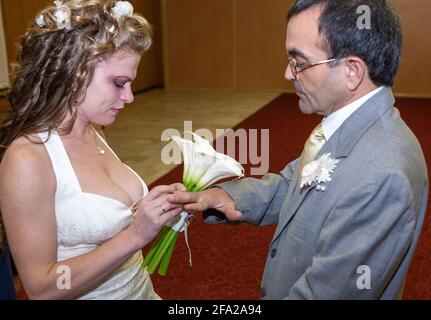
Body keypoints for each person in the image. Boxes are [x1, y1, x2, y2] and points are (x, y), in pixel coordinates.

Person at [168, 0, 429, 299]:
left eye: (300, 62)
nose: (288, 74)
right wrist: (227, 196)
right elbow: (298, 184)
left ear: (352, 71)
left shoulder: (383, 175)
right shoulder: (349, 126)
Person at [0, 0, 184, 300]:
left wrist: (152, 207)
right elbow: (42, 288)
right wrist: (135, 235)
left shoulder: (92, 130)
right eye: (118, 83)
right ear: (74, 74)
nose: (129, 97)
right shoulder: (28, 159)